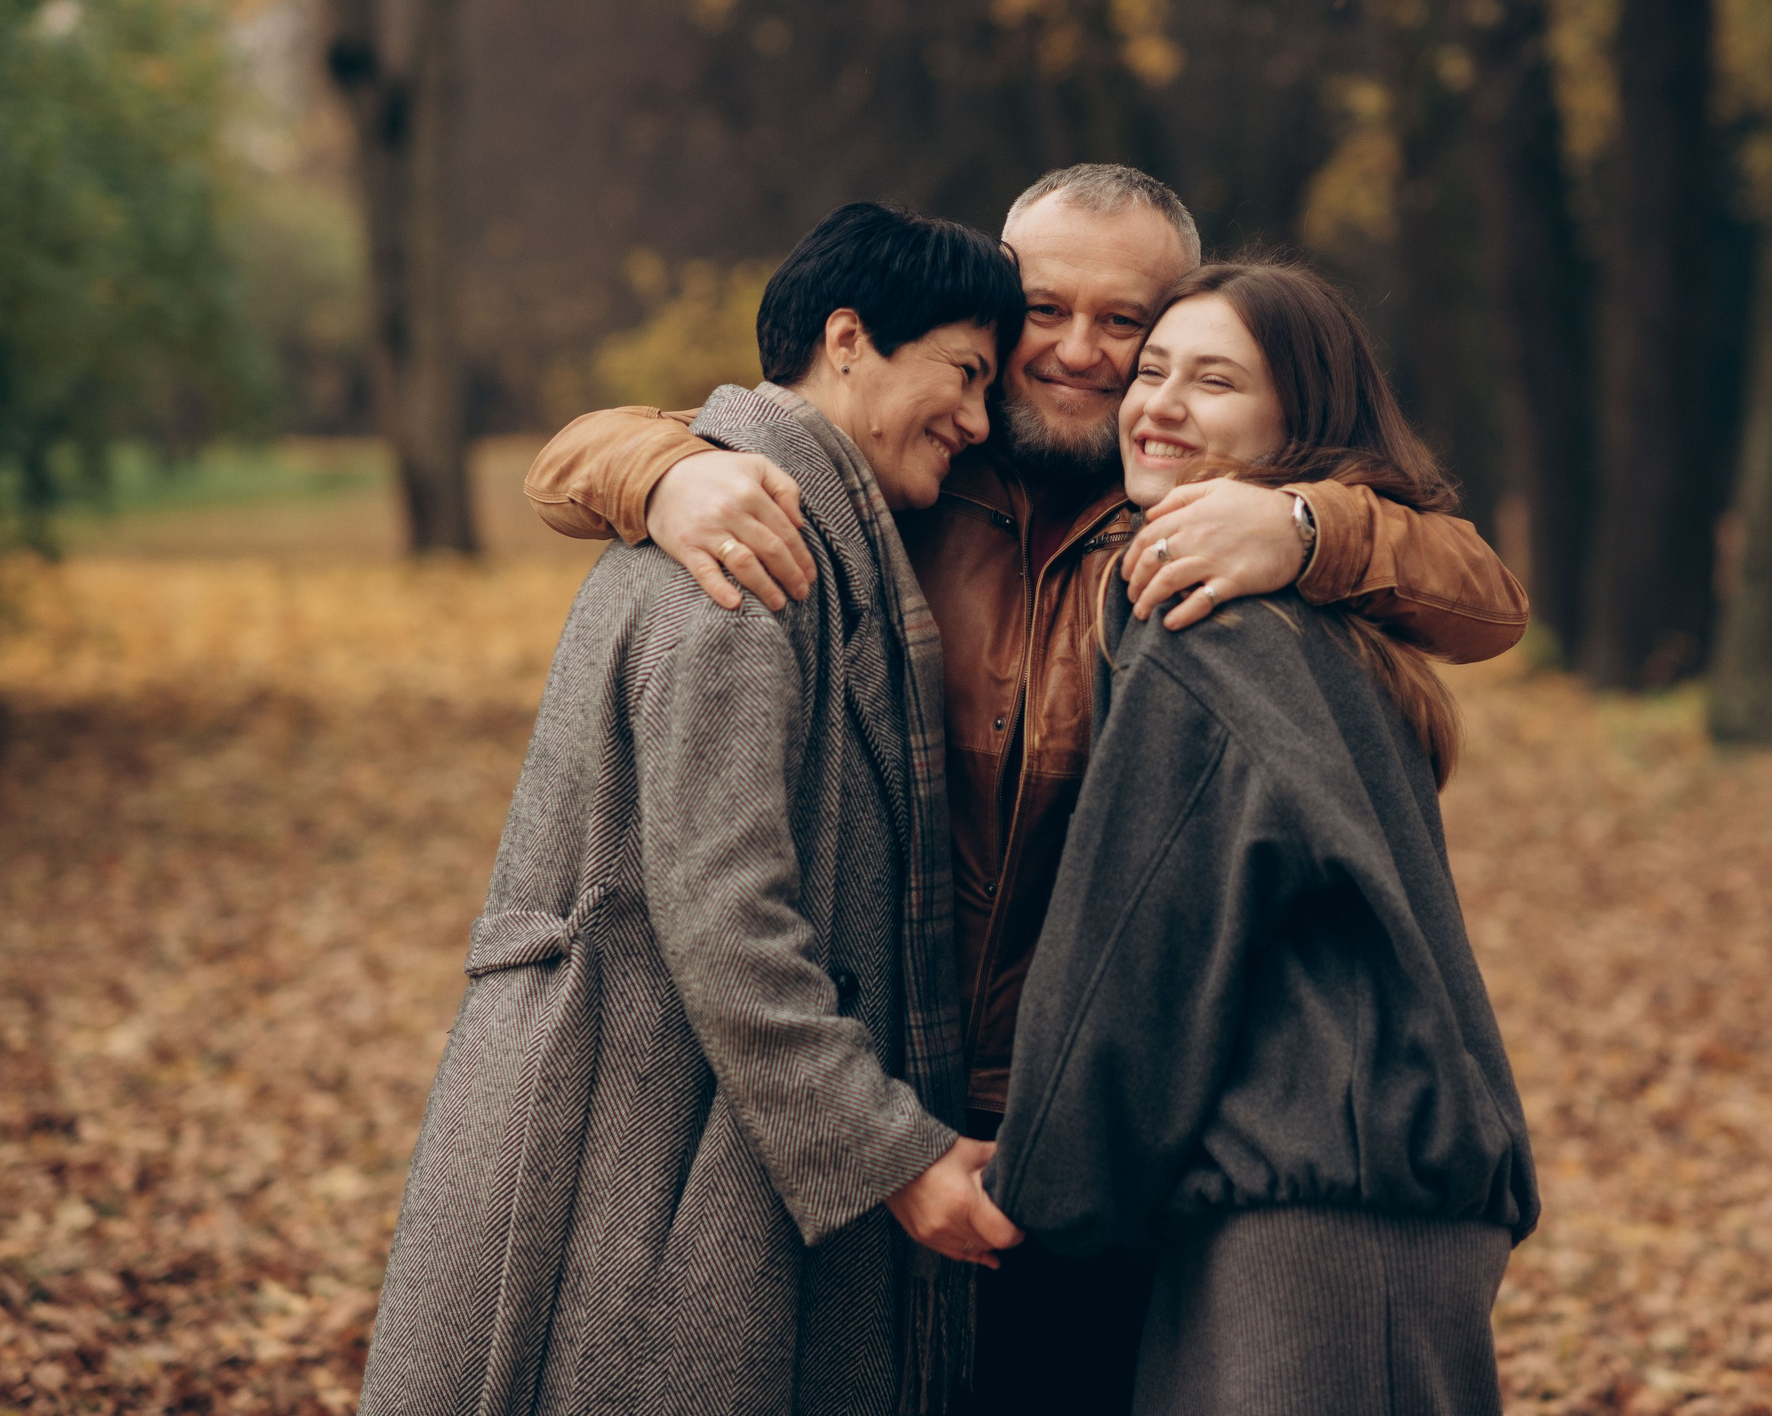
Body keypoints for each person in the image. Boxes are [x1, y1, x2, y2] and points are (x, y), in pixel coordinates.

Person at [521, 164, 1528, 1413]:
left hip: (1124, 1108)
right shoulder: (903, 469)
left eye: (1128, 323)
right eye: (1045, 308)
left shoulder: (1194, 516)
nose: (1080, 352)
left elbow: (1481, 601)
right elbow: (570, 463)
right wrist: (667, 470)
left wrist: (1311, 527)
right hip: (889, 1089)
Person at [358, 203, 1025, 1416]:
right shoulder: (748, 568)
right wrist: (895, 1154)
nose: (978, 420)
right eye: (965, 374)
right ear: (848, 337)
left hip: (681, 1128)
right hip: (641, 1146)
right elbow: (726, 922)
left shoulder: (791, 522)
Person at [988, 260, 1538, 1416]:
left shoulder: (1212, 620)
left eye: (1213, 379)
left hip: (1313, 1219)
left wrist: (1038, 1190)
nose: (1156, 402)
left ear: (1299, 423)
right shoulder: (1313, 616)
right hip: (1346, 1189)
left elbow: (1141, 941)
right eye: (1153, 374)